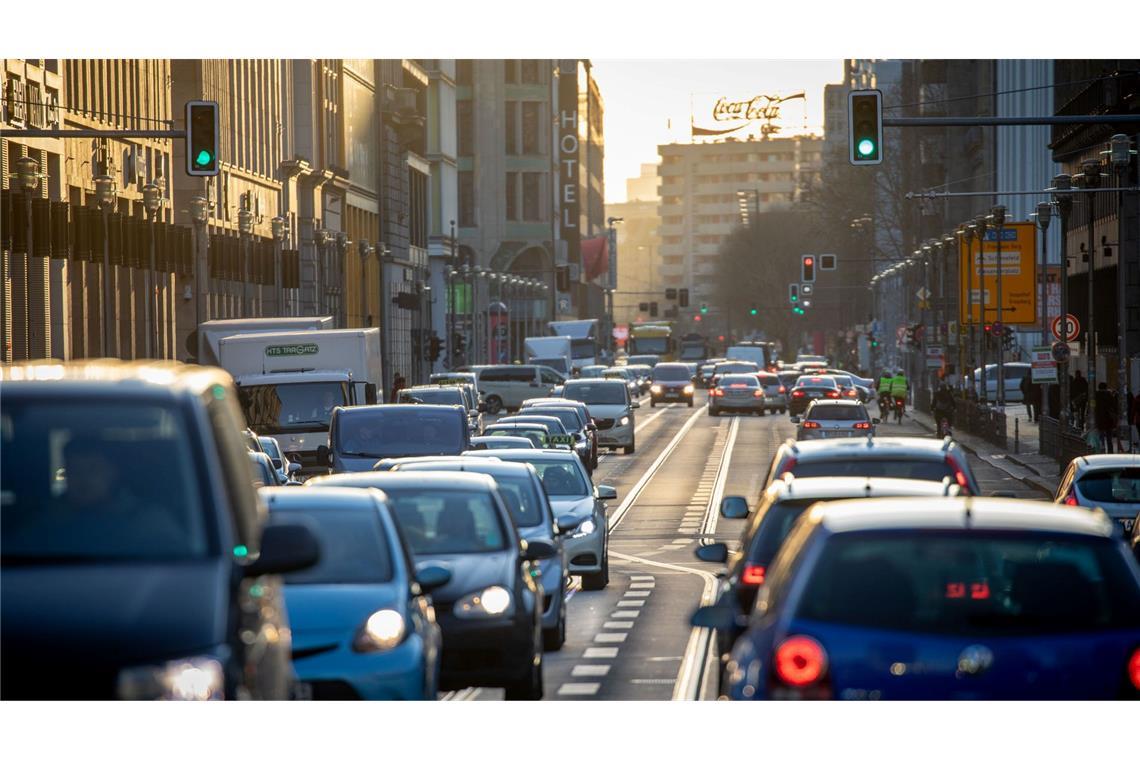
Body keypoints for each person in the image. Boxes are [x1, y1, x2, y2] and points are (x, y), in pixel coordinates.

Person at [1093, 382, 1117, 454]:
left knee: (1101, 437)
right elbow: (1114, 406)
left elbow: (1093, 407)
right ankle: (1110, 451)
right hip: (1108, 419)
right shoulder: (1109, 395)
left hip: (1099, 419)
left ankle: (1102, 451)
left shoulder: (1095, 395)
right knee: (1109, 438)